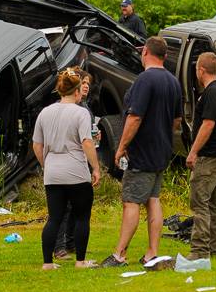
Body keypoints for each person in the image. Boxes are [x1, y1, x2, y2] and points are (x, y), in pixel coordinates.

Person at [101, 37, 181, 267]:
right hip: (162, 151)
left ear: (145, 51)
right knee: (153, 199)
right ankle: (151, 253)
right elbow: (176, 120)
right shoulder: (172, 81)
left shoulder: (145, 80)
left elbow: (135, 117)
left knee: (131, 201)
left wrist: (122, 146)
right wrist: (161, 134)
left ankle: (119, 254)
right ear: (165, 56)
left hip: (142, 151)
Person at [33, 67, 102, 270]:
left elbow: (37, 144)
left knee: (54, 217)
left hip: (53, 170)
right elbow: (86, 142)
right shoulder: (80, 113)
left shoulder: (45, 112)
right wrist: (95, 167)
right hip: (75, 170)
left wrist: (45, 163)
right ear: (76, 91)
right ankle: (80, 260)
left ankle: (47, 262)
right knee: (82, 216)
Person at [185, 52, 216, 260]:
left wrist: (194, 151)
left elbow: (208, 124)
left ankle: (199, 250)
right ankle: (214, 248)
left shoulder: (211, 93)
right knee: (215, 202)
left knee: (200, 202)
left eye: (197, 69)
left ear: (201, 70)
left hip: (210, 155)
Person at [54, 71, 100, 260]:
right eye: (83, 83)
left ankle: (72, 242)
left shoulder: (85, 107)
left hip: (81, 161)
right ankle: (59, 246)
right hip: (69, 162)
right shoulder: (65, 109)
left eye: (89, 83)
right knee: (63, 208)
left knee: (77, 207)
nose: (86, 86)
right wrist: (96, 166)